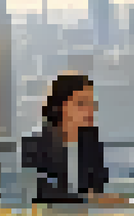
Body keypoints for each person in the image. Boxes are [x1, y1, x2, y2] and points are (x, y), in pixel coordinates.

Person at [22, 73, 111, 204]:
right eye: (81, 104)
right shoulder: (34, 146)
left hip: (87, 215)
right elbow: (39, 194)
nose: (90, 110)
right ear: (61, 106)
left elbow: (99, 187)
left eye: (92, 104)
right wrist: (86, 198)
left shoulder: (92, 143)